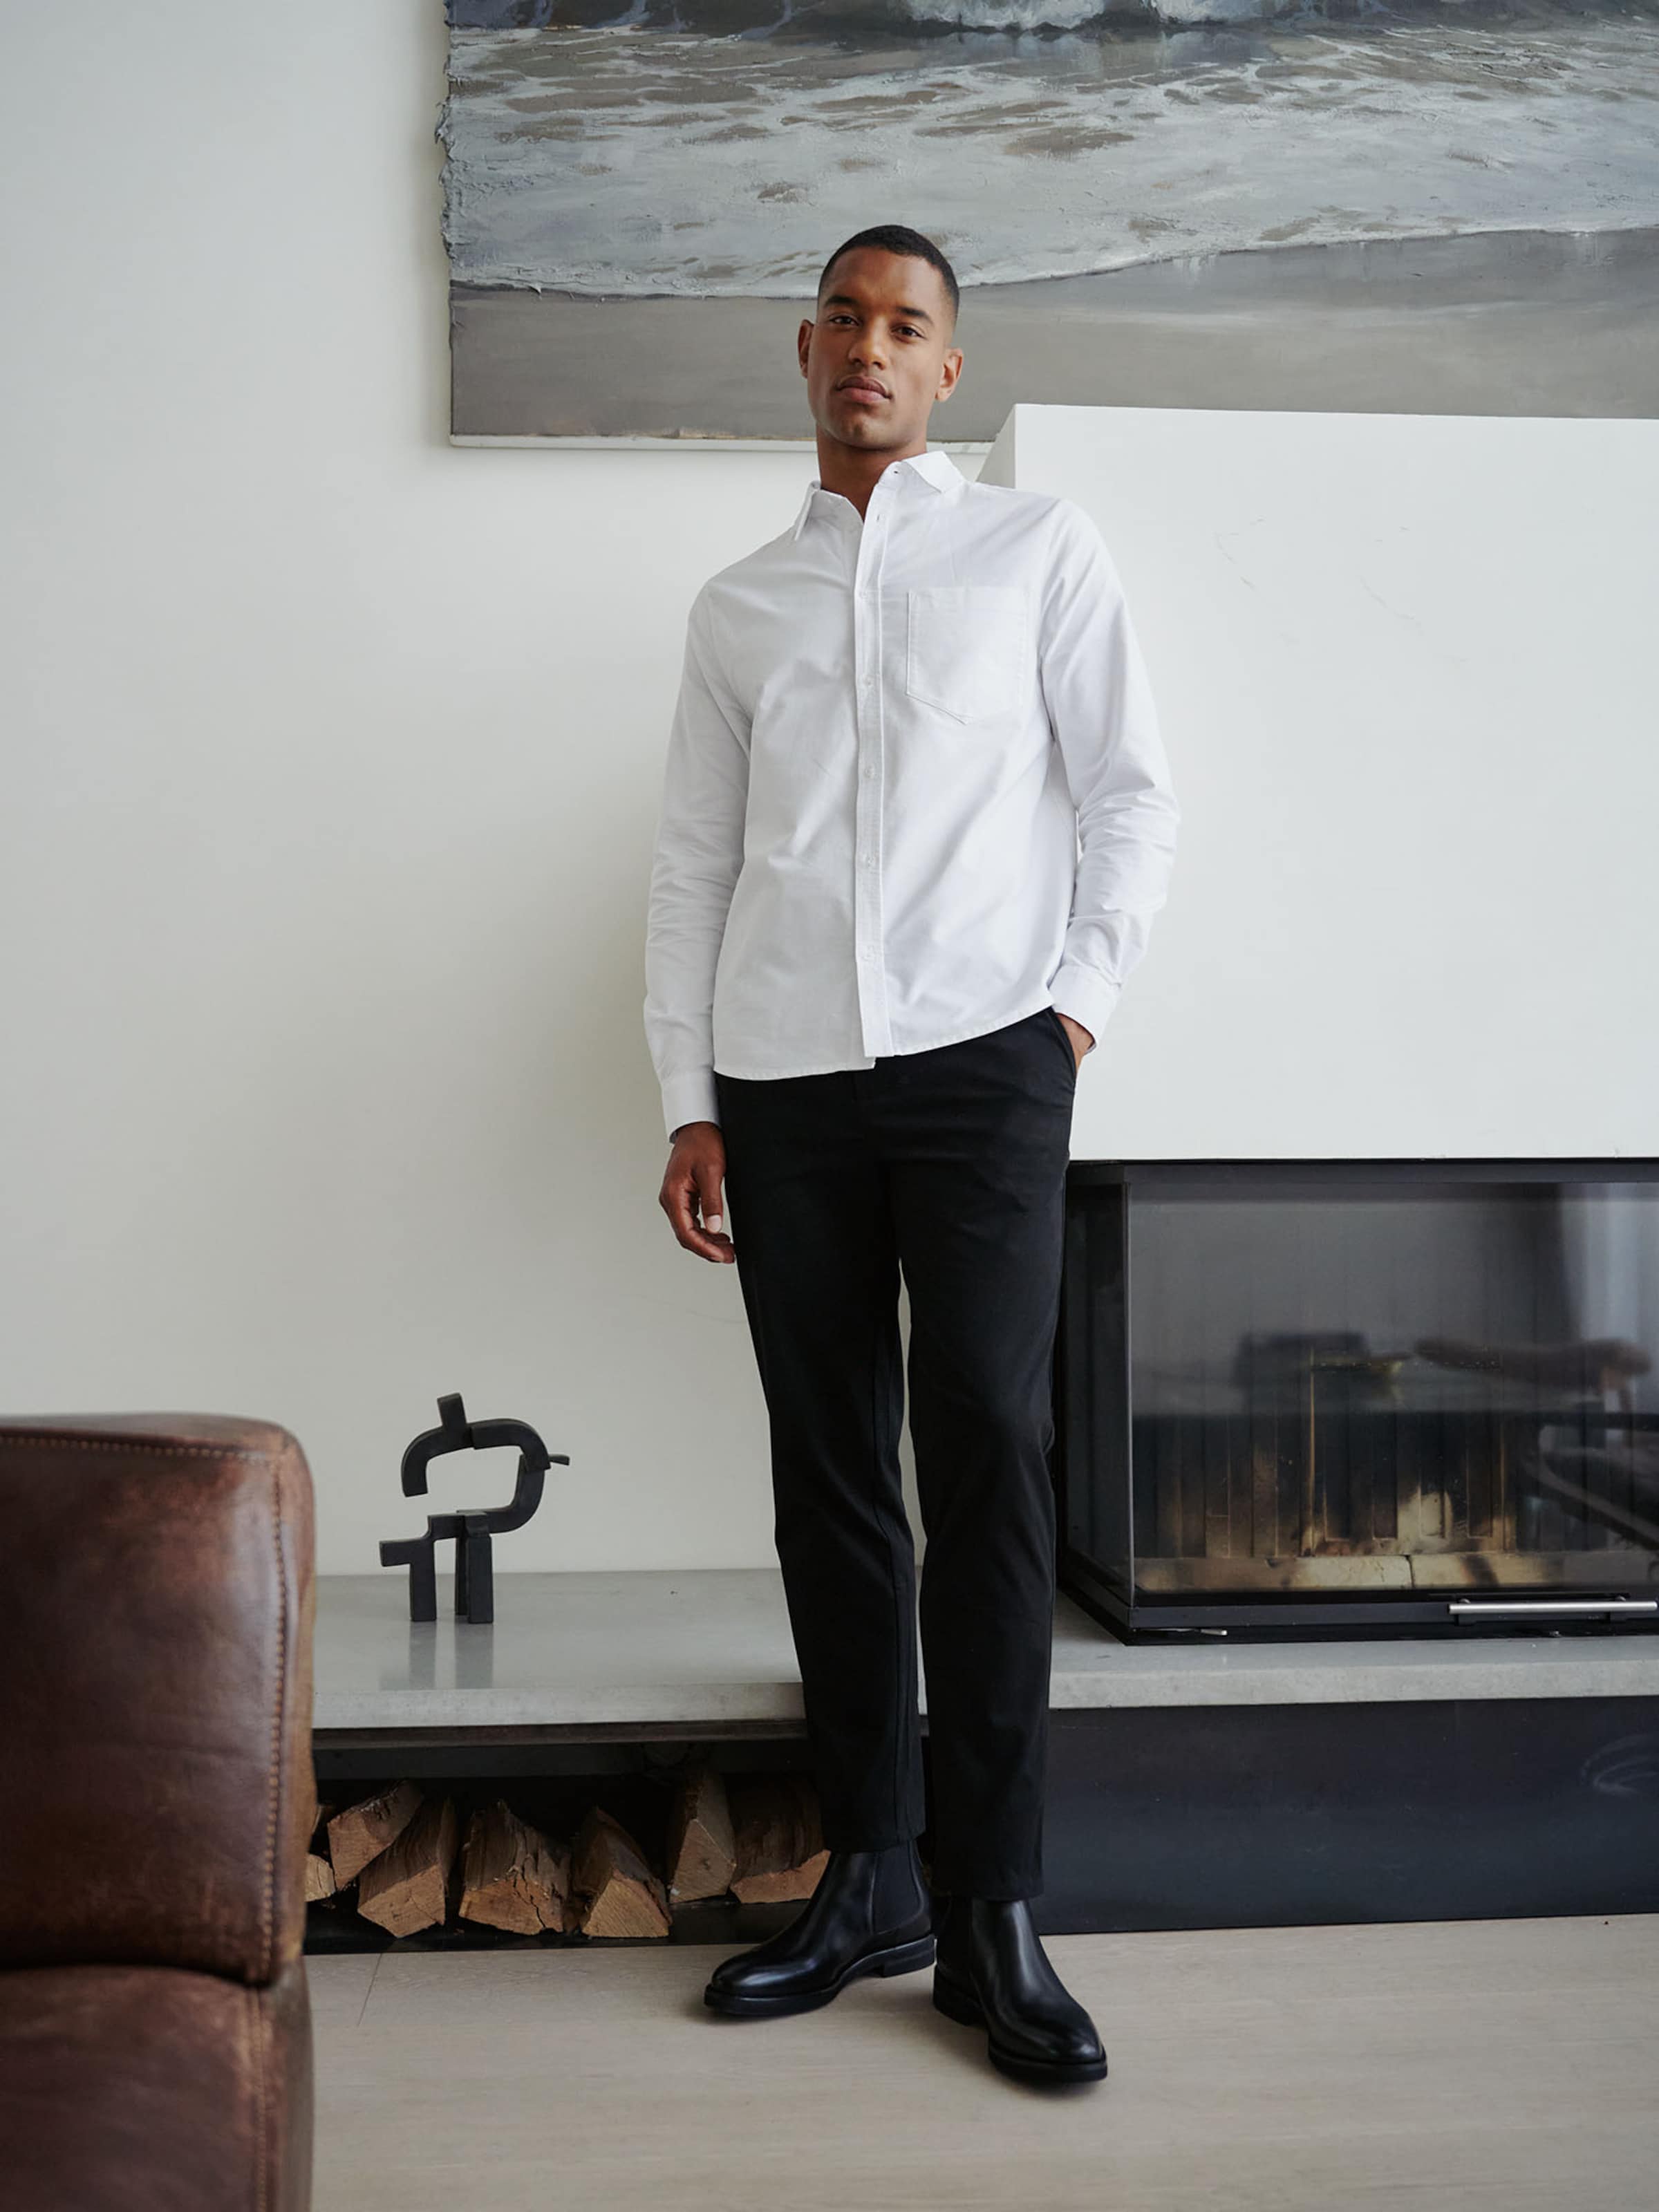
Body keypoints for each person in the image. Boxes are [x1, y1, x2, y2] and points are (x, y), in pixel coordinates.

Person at [642, 222, 1178, 2088]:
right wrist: (688, 1096)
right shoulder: (738, 609)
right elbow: (695, 867)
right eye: (845, 321)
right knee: (831, 1476)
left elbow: (1131, 793)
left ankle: (991, 1908)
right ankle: (869, 1871)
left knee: (991, 1460)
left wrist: (1072, 1015)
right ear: (805, 353)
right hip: (782, 1078)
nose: (871, 348)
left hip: (986, 1066)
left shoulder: (1037, 549)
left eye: (907, 326)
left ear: (949, 369)